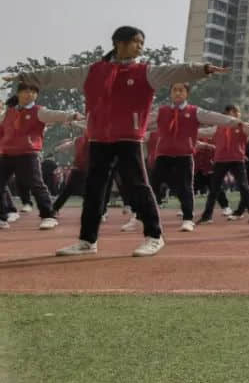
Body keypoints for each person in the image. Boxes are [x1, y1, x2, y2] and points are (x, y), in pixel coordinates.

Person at [5, 26, 225, 256]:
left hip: (128, 138)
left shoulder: (145, 72)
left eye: (142, 43)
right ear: (119, 43)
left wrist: (203, 69)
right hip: (99, 138)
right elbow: (58, 75)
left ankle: (154, 235)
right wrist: (24, 76)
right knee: (94, 189)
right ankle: (87, 241)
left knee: (138, 185)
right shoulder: (92, 71)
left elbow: (175, 71)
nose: (141, 46)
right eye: (136, 42)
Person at [148, 83, 239, 232]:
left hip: (184, 155)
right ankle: (143, 217)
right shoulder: (161, 111)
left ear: (186, 94)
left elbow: (215, 117)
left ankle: (188, 219)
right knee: (152, 186)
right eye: (174, 90)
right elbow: (144, 120)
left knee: (186, 187)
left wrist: (236, 122)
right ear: (171, 93)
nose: (177, 93)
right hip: (163, 155)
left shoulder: (194, 111)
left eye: (181, 90)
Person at [0, 84, 81, 229]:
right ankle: (2, 216)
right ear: (18, 94)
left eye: (33, 92)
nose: (29, 94)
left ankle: (49, 215)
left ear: (36, 95)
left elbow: (54, 114)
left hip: (28, 153)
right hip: (7, 153)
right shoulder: (8, 112)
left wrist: (72, 115)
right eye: (25, 91)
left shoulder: (39, 111)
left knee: (36, 184)